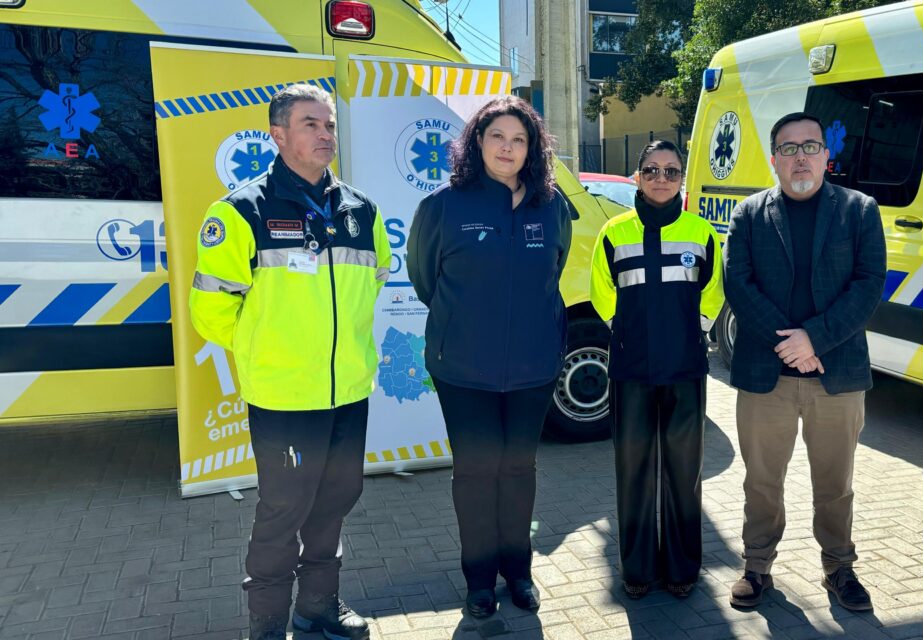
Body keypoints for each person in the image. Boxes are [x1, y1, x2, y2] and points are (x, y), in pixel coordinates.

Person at [189, 83, 391, 640]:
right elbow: (211, 311)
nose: (326, 135)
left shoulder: (361, 210)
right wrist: (272, 352)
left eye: (329, 125)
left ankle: (319, 609)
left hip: (348, 392)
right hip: (283, 398)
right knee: (283, 515)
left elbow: (371, 284)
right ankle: (268, 625)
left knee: (334, 505)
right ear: (278, 135)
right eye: (311, 124)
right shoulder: (239, 212)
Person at [406, 96, 571, 619]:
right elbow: (423, 278)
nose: (508, 147)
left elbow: (555, 269)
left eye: (519, 139)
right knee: (477, 473)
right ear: (477, 142)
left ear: (532, 149)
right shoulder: (444, 206)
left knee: (519, 469)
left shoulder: (551, 205)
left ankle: (518, 572)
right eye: (497, 136)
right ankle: (479, 580)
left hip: (533, 368)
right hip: (464, 371)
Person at [722, 112, 886, 612]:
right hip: (765, 376)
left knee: (835, 484)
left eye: (810, 146)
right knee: (761, 482)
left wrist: (814, 338)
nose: (800, 157)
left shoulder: (859, 210)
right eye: (788, 148)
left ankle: (839, 568)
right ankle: (757, 567)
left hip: (835, 376)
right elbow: (738, 285)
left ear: (825, 155)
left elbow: (868, 283)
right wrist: (788, 344)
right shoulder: (749, 214)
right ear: (773, 158)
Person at [589, 140, 725, 600]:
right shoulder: (614, 232)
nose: (661, 178)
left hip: (685, 370)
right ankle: (638, 568)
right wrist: (623, 332)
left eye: (671, 171)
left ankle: (683, 568)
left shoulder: (701, 232)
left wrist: (695, 331)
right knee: (634, 471)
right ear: (637, 177)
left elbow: (713, 292)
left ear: (682, 178)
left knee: (684, 473)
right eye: (652, 170)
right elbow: (602, 292)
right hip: (630, 372)